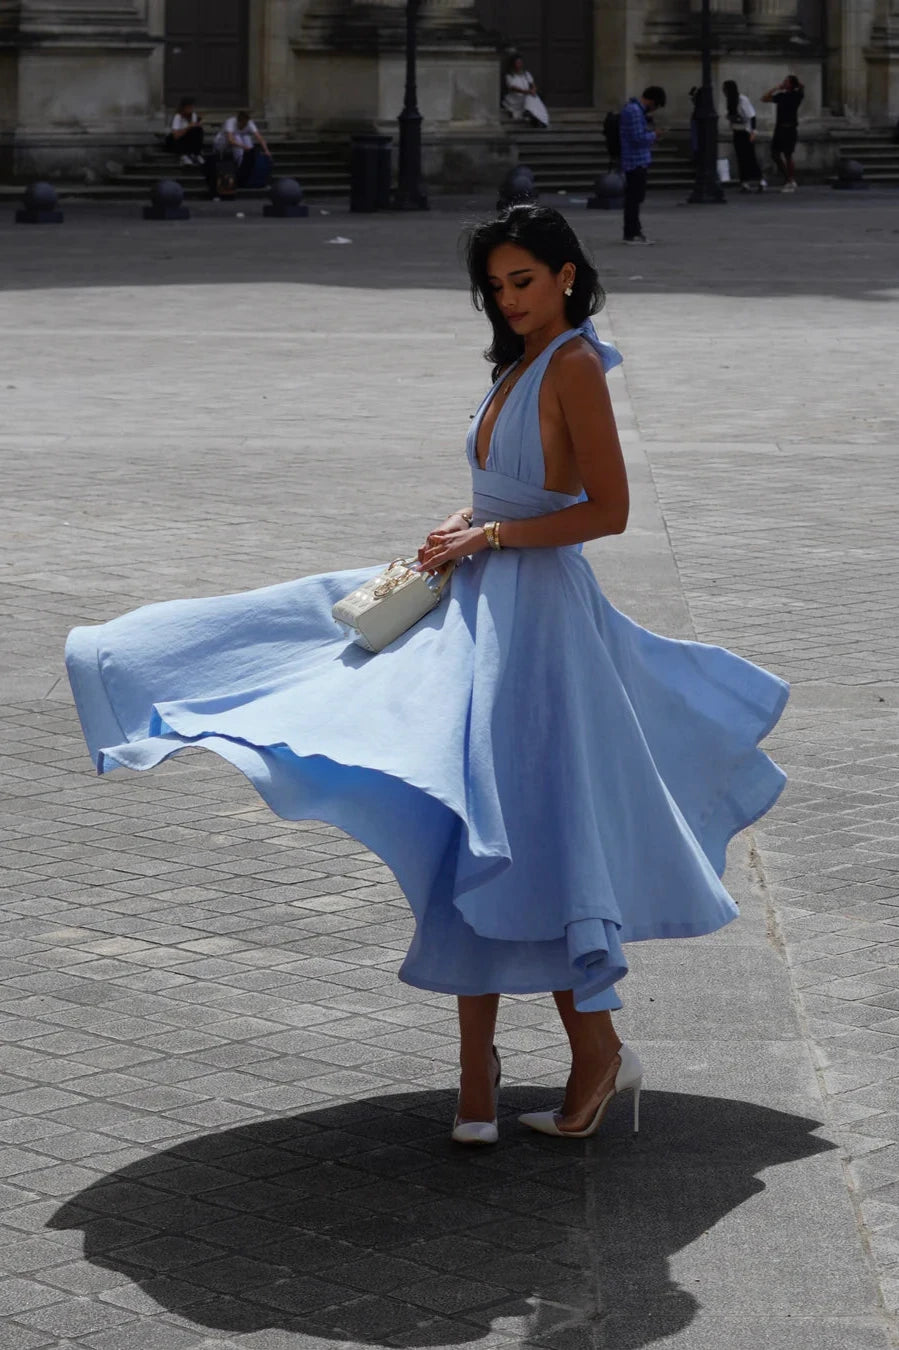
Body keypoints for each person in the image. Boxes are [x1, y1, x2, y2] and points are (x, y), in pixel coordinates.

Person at [64, 205, 788, 1145]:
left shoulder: (572, 363)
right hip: (485, 603)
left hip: (539, 628)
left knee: (525, 828)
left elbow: (604, 512)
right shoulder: (520, 365)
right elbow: (512, 490)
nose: (509, 299)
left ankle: (593, 1053)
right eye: (496, 286)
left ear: (566, 274)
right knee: (463, 819)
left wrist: (488, 533)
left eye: (523, 280)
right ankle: (481, 1078)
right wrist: (465, 527)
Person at [619, 85, 666, 244]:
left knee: (636, 198)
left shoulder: (635, 110)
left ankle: (634, 230)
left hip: (637, 160)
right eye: (656, 105)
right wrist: (655, 134)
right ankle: (631, 233)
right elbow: (637, 138)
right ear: (652, 100)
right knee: (634, 198)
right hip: (635, 160)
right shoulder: (634, 111)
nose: (655, 109)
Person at [723, 80, 766, 193]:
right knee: (741, 158)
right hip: (737, 131)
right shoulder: (731, 101)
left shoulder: (743, 100)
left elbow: (752, 116)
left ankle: (760, 180)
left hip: (745, 132)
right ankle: (745, 182)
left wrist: (753, 132)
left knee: (749, 158)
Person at [763, 74, 804, 192]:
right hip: (779, 128)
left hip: (790, 128)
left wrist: (796, 83)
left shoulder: (796, 96)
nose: (784, 83)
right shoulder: (781, 96)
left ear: (791, 84)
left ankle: (790, 180)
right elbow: (764, 98)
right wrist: (776, 88)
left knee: (788, 155)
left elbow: (802, 87)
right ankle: (788, 178)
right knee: (775, 154)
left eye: (787, 82)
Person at [213, 110, 273, 188]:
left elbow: (259, 138)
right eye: (243, 124)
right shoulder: (230, 122)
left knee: (246, 137)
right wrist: (244, 147)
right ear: (239, 121)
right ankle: (241, 164)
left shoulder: (249, 123)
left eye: (246, 124)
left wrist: (266, 150)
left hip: (239, 143)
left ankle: (249, 166)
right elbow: (230, 140)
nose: (244, 126)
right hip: (222, 144)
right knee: (236, 136)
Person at [501, 54, 550, 128]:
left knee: (535, 99)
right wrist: (527, 92)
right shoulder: (509, 76)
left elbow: (533, 85)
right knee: (529, 98)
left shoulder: (526, 74)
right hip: (515, 98)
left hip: (526, 95)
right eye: (517, 63)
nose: (519, 65)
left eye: (520, 63)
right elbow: (513, 88)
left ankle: (541, 119)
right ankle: (530, 113)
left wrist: (533, 90)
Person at [164, 96, 205, 167]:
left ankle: (196, 154)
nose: (191, 109)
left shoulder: (193, 115)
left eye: (192, 107)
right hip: (176, 140)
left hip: (187, 140)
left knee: (198, 130)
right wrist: (188, 127)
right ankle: (184, 156)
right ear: (183, 108)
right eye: (189, 107)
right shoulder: (178, 117)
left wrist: (197, 125)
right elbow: (175, 136)